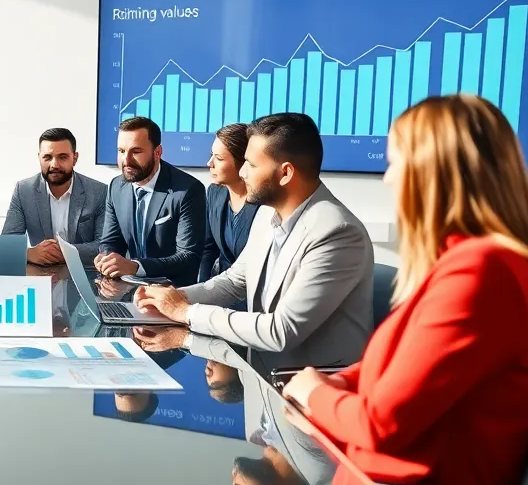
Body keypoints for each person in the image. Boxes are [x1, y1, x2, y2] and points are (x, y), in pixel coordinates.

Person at [282, 94, 528, 485]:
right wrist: (332, 386)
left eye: (396, 164)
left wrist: (314, 394)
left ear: (431, 174)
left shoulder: (482, 273)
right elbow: (387, 369)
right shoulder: (475, 262)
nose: (389, 180)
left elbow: (383, 425)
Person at [136, 113, 374, 362]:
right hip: (261, 376)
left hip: (310, 387)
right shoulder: (267, 215)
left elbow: (281, 331)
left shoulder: (337, 233)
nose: (243, 173)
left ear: (285, 173)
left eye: (250, 164)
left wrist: (186, 312)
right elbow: (234, 281)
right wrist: (175, 298)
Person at [95, 117, 206, 286]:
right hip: (129, 289)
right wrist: (107, 258)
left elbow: (188, 257)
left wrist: (135, 266)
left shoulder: (188, 190)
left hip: (174, 290)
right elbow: (111, 241)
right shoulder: (116, 186)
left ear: (157, 152)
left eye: (136, 151)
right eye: (121, 151)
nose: (126, 160)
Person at [1, 127, 107, 266]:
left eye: (62, 157)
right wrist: (30, 253)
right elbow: (8, 242)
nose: (54, 164)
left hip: (85, 275)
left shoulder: (99, 191)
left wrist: (65, 252)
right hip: (39, 276)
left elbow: (104, 245)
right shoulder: (24, 190)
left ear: (75, 158)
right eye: (47, 157)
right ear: (39, 157)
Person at [201, 123, 260, 281]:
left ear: (243, 162)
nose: (209, 163)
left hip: (254, 293)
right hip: (220, 287)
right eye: (211, 155)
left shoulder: (264, 203)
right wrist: (201, 290)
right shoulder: (215, 192)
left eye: (219, 158)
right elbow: (208, 249)